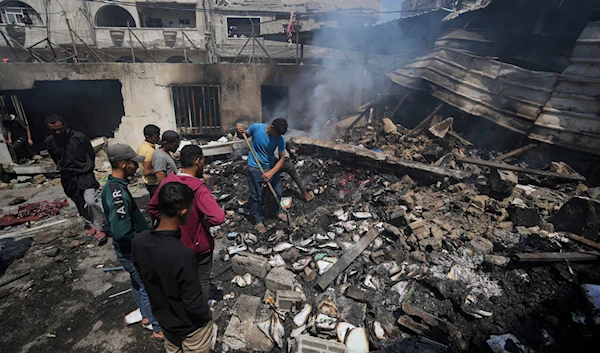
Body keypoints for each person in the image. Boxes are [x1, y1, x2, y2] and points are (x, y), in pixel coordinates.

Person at [133, 182, 214, 353]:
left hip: (166, 323)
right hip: (190, 328)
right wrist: (208, 314)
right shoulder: (183, 255)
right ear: (183, 211)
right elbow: (194, 305)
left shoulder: (140, 242)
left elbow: (143, 278)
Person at [148, 145, 225, 304]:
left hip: (174, 244)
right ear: (197, 162)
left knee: (181, 280)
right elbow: (218, 217)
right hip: (198, 246)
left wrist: (171, 221)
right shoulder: (199, 189)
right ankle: (201, 313)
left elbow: (152, 207)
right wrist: (202, 222)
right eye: (203, 161)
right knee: (202, 280)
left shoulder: (168, 182)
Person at [101, 144, 163, 340]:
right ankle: (158, 328)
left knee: (137, 283)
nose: (136, 167)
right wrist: (144, 241)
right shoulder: (116, 193)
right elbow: (121, 232)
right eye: (132, 163)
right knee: (149, 286)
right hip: (132, 251)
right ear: (122, 164)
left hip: (128, 251)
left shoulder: (115, 187)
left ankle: (145, 317)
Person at [45, 115, 106, 243]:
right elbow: (55, 157)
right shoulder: (50, 141)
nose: (57, 132)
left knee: (90, 201)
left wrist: (88, 168)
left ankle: (100, 227)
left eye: (59, 129)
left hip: (84, 174)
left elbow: (90, 153)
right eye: (53, 130)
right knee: (78, 202)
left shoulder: (79, 137)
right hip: (67, 176)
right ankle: (91, 225)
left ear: (65, 125)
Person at [236, 118, 288, 234]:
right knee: (256, 196)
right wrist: (239, 131)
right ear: (272, 128)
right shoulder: (257, 128)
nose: (278, 136)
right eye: (277, 133)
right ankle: (258, 220)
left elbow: (281, 160)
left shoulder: (281, 139)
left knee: (278, 192)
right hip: (254, 167)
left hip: (270, 167)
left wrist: (271, 172)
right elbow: (243, 135)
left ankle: (275, 210)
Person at [137, 124, 161, 197]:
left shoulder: (142, 146)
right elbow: (147, 171)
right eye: (156, 137)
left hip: (147, 182)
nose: (158, 138)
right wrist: (162, 169)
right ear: (148, 137)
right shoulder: (150, 151)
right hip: (153, 183)